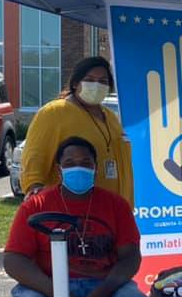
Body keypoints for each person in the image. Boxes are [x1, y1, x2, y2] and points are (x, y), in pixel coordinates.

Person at [2, 136, 146, 297]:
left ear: (95, 168)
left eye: (85, 162)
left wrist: (104, 291)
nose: (77, 167)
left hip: (104, 286)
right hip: (45, 289)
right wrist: (56, 292)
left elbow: (130, 257)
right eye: (69, 163)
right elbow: (14, 260)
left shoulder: (116, 206)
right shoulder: (35, 206)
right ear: (59, 170)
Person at [21, 57, 134, 205]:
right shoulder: (54, 112)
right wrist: (34, 191)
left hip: (114, 209)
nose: (96, 85)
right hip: (72, 209)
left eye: (103, 81)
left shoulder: (111, 117)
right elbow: (35, 158)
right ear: (75, 83)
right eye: (90, 79)